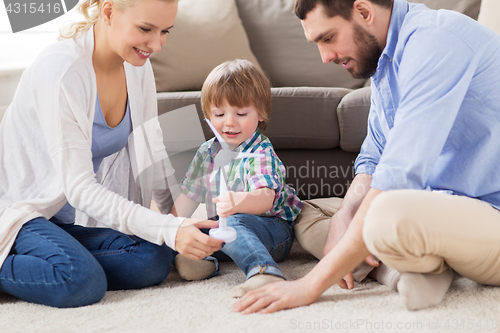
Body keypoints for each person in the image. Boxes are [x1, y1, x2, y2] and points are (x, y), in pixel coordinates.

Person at [233, 0, 500, 313]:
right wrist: (344, 215)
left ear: (363, 11)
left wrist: (310, 284)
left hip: (490, 213)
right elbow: (374, 155)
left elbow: (398, 176)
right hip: (442, 206)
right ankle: (407, 271)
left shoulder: (435, 41)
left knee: (385, 214)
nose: (325, 57)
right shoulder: (386, 61)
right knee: (304, 213)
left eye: (328, 38)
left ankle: (403, 265)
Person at [0, 0, 224, 308]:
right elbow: (79, 189)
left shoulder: (136, 65)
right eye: (146, 29)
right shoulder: (61, 72)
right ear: (108, 12)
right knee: (81, 281)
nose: (157, 45)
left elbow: (151, 152)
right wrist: (168, 229)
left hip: (59, 222)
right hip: (19, 213)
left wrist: (177, 224)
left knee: (152, 258)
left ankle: (59, 258)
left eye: (165, 32)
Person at [170, 59, 303, 297]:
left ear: (261, 113)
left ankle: (264, 271)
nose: (229, 122)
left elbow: (265, 198)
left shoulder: (259, 151)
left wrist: (238, 202)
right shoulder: (206, 152)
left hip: (271, 229)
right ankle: (204, 262)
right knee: (195, 230)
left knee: (232, 222)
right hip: (223, 230)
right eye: (219, 114)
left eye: (241, 113)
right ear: (208, 116)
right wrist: (171, 228)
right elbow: (187, 197)